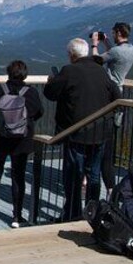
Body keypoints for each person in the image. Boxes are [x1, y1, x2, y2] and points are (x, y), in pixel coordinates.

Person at [44, 38, 120, 221]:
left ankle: (72, 213)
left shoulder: (69, 71)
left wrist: (51, 82)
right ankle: (92, 213)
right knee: (94, 175)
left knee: (73, 175)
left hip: (75, 132)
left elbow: (50, 94)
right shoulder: (100, 71)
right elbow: (117, 96)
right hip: (100, 132)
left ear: (71, 55)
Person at [0, 60, 44, 228]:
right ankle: (16, 216)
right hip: (21, 141)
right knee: (18, 176)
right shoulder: (30, 93)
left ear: (8, 73)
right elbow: (39, 112)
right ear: (25, 74)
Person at [91, 22, 133, 193]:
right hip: (119, 92)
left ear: (118, 32)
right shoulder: (132, 50)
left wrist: (95, 44)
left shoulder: (116, 51)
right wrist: (107, 43)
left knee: (99, 142)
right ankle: (110, 187)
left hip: (107, 94)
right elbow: (115, 56)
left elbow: (96, 61)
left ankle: (93, 182)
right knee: (109, 145)